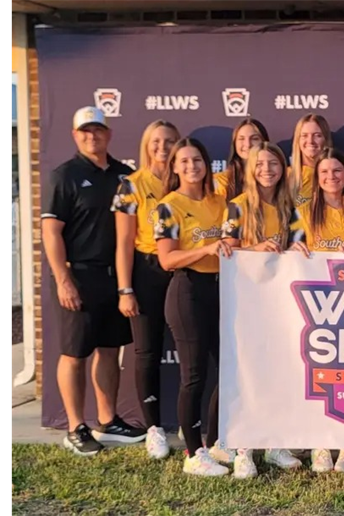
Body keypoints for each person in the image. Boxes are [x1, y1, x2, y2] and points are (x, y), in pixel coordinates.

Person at [41, 106, 144, 456]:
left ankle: (107, 420)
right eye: (85, 131)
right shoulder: (64, 176)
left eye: (98, 130)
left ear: (109, 133)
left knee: (109, 350)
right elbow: (51, 233)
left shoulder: (125, 175)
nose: (92, 136)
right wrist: (63, 279)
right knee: (74, 354)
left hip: (115, 278)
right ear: (74, 135)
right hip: (79, 276)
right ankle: (75, 427)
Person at [220, 142, 305, 478]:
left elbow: (300, 244)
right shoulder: (237, 207)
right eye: (260, 164)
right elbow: (226, 248)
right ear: (250, 170)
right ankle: (244, 448)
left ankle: (274, 443)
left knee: (277, 371)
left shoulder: (291, 208)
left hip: (280, 301)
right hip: (246, 300)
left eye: (274, 164)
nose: (267, 170)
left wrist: (298, 249)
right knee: (247, 374)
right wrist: (255, 249)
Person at [154, 138, 231, 477]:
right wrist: (205, 249)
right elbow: (167, 259)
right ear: (174, 167)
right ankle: (192, 452)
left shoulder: (221, 201)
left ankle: (214, 441)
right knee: (194, 376)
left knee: (229, 371)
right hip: (188, 291)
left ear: (206, 164)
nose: (191, 166)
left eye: (197, 159)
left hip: (222, 290)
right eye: (183, 161)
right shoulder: (168, 206)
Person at [290, 147, 344, 474]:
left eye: (337, 172)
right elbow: (288, 251)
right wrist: (294, 248)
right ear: (316, 180)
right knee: (318, 378)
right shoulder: (302, 214)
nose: (331, 177)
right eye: (324, 173)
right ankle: (320, 443)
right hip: (316, 308)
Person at [112, 119, 181, 460]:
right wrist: (125, 288)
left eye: (170, 141)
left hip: (184, 268)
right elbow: (124, 242)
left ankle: (193, 421)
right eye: (156, 141)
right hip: (147, 270)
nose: (162, 147)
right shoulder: (131, 185)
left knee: (196, 350)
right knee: (147, 352)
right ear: (146, 144)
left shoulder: (188, 179)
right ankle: (153, 428)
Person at [214, 118, 270, 201]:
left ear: (265, 143)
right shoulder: (221, 181)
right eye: (241, 139)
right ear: (234, 144)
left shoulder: (277, 176)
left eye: (254, 138)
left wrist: (296, 204)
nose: (247, 144)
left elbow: (295, 202)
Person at [289, 113, 332, 205]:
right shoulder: (285, 176)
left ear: (326, 139)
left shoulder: (335, 177)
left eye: (317, 135)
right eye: (304, 135)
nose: (310, 141)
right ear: (298, 140)